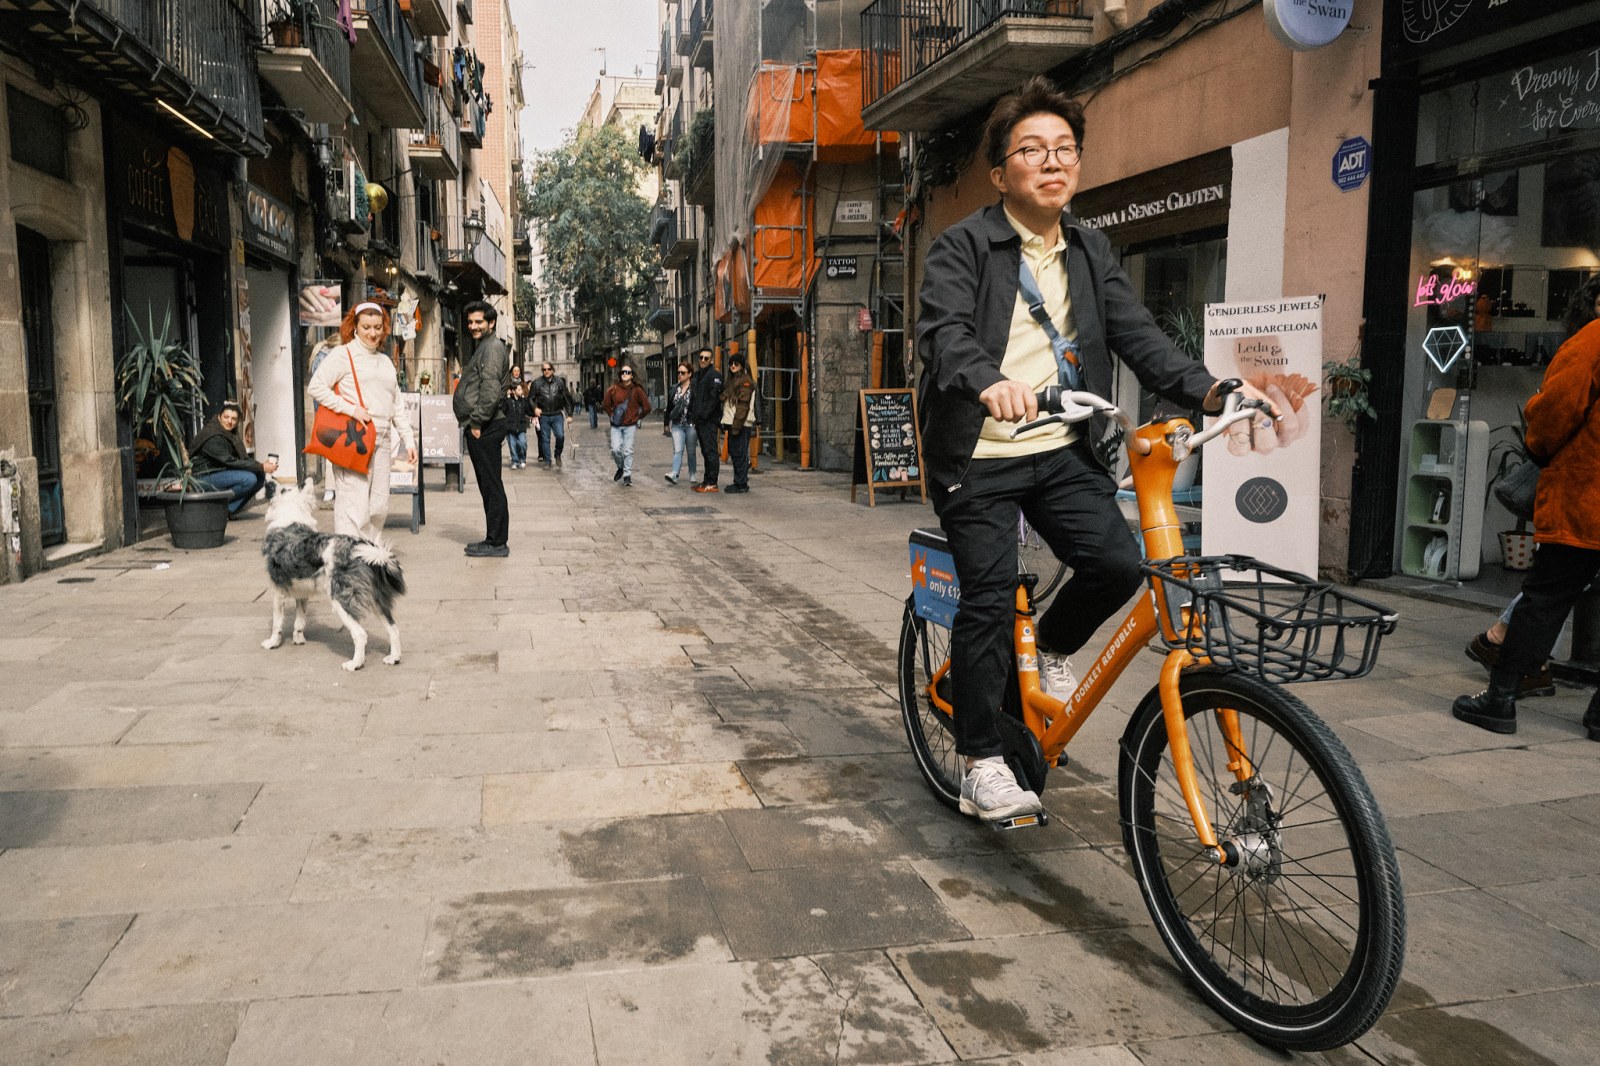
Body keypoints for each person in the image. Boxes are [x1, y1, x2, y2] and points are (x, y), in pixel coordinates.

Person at [916, 76, 1277, 821]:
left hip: (1059, 449)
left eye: (1065, 150)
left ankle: (1049, 644)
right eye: (1031, 151)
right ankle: (983, 759)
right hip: (978, 456)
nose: (1053, 163)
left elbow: (1139, 335)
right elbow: (944, 334)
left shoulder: (1089, 248)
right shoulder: (963, 247)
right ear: (999, 173)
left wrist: (1215, 391)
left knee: (1117, 563)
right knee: (987, 595)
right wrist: (990, 382)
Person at [1453, 321, 1600, 742]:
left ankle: (1499, 700)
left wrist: (1537, 446)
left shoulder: (1592, 340)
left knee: (1546, 597)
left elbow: (1557, 407)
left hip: (1586, 492)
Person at [307, 302, 416, 539]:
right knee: (353, 506)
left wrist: (409, 440)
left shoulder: (385, 361)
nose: (373, 333)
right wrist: (351, 409)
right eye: (366, 327)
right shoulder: (343, 354)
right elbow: (316, 387)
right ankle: (349, 558)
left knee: (378, 506)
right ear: (354, 326)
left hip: (384, 440)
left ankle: (369, 554)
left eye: (377, 327)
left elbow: (396, 403)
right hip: (354, 438)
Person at [455, 300, 512, 557]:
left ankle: (497, 542)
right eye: (470, 322)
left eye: (479, 322)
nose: (473, 326)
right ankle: (493, 538)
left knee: (491, 484)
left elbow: (490, 390)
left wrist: (477, 421)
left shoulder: (491, 348)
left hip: (485, 426)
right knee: (489, 484)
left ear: (491, 323)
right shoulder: (485, 346)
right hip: (483, 424)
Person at [188, 401, 278, 516]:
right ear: (219, 417)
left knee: (260, 476)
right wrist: (260, 466)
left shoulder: (230, 434)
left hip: (219, 471)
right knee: (249, 479)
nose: (230, 421)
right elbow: (229, 461)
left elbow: (242, 459)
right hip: (203, 476)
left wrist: (261, 466)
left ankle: (229, 510)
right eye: (226, 417)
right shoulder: (212, 435)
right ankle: (217, 509)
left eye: (234, 419)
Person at [602, 364, 651, 487]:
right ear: (620, 374)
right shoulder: (613, 389)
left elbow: (647, 407)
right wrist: (612, 415)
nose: (625, 374)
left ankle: (627, 475)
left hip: (630, 425)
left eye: (628, 372)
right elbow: (605, 404)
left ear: (632, 376)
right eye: (623, 372)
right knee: (615, 449)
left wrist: (637, 417)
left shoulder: (637, 390)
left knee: (628, 450)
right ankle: (621, 467)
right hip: (616, 425)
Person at [689, 348, 724, 493]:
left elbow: (714, 398)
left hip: (709, 420)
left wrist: (703, 415)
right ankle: (706, 480)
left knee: (711, 451)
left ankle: (712, 482)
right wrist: (692, 414)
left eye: (706, 358)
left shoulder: (715, 375)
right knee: (704, 450)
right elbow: (694, 397)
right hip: (699, 420)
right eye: (701, 357)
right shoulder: (697, 375)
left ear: (711, 360)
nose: (703, 360)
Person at [721, 352, 755, 494]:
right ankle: (739, 481)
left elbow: (743, 406)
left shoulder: (745, 381)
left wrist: (736, 425)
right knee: (736, 453)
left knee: (739, 454)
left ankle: (741, 484)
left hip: (740, 424)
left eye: (736, 364)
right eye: (731, 364)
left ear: (741, 365)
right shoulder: (733, 380)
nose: (733, 366)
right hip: (733, 423)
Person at [530, 360, 574, 468]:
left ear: (552, 370)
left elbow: (567, 398)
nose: (546, 371)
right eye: (544, 370)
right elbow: (530, 398)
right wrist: (535, 408)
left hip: (557, 414)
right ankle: (547, 461)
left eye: (548, 369)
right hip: (543, 415)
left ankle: (557, 454)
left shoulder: (559, 382)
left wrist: (570, 414)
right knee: (545, 438)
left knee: (560, 436)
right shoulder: (537, 383)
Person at [664, 361, 697, 485]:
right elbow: (668, 407)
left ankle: (692, 472)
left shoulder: (694, 389)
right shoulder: (674, 388)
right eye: (678, 373)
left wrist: (695, 420)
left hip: (690, 425)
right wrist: (666, 423)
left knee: (691, 450)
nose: (680, 375)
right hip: (677, 425)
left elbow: (697, 406)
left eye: (683, 373)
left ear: (689, 374)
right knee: (678, 449)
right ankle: (674, 474)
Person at [502, 383, 532, 469]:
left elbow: (528, 411)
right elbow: (503, 410)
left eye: (521, 389)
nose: (521, 391)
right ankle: (515, 461)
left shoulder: (523, 401)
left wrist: (535, 414)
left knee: (522, 443)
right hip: (510, 427)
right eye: (519, 389)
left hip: (521, 426)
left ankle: (522, 460)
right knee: (512, 445)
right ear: (513, 391)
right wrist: (506, 398)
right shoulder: (508, 401)